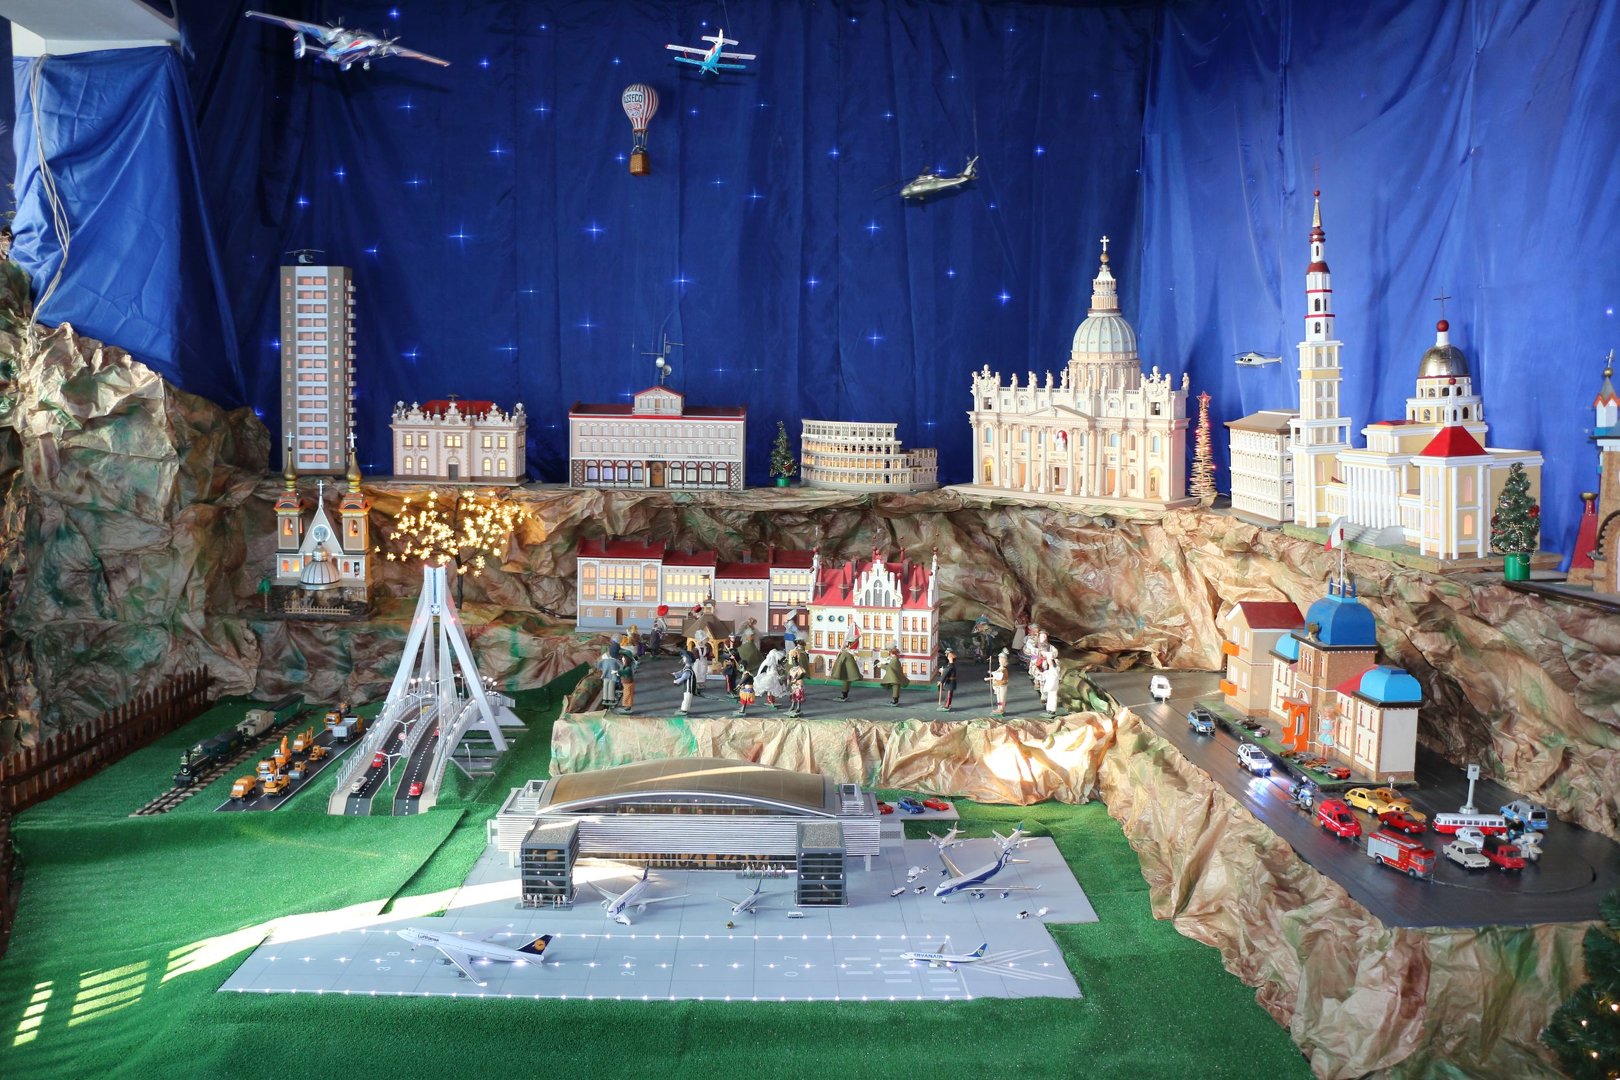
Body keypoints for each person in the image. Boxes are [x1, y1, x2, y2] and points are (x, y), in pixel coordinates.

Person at [986, 650, 1010, 716]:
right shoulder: (1000, 668)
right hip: (998, 686)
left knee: (1001, 698)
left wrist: (992, 672)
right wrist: (989, 677)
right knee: (999, 698)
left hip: (1002, 686)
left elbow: (999, 676)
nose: (999, 660)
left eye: (1000, 659)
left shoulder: (1003, 670)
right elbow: (996, 676)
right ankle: (999, 708)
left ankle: (1002, 708)